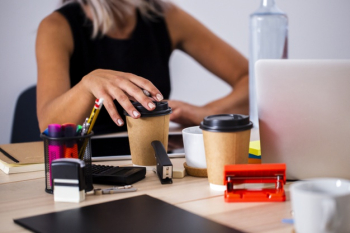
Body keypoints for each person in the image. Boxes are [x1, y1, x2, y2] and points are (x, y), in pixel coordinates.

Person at [36, 0, 249, 134]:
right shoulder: (56, 27)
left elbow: (252, 80)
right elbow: (48, 125)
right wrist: (87, 85)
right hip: (88, 161)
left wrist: (209, 111)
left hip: (155, 154)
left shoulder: (166, 15)